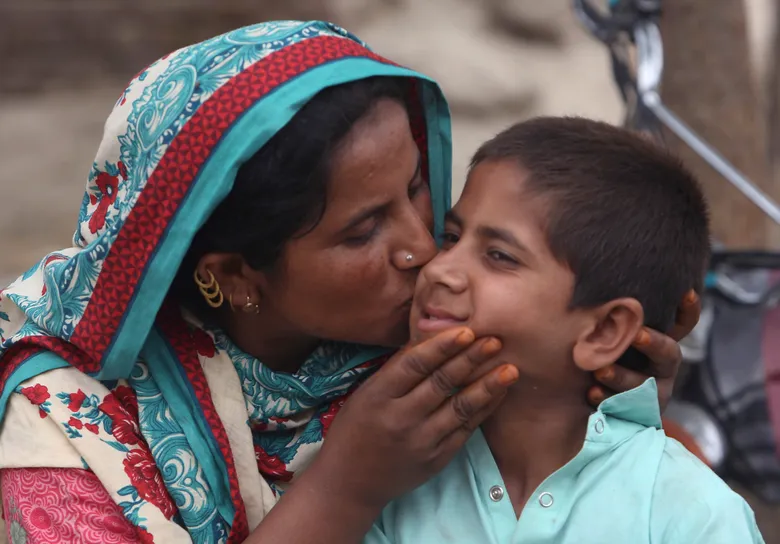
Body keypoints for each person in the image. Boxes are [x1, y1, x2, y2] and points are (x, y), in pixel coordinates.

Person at [0, 22, 698, 544]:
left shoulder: (444, 348)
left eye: (419, 187)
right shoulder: (62, 436)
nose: (424, 251)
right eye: (363, 231)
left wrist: (602, 402)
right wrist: (344, 488)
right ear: (234, 278)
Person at [343, 117, 760, 544]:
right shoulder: (394, 476)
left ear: (603, 331)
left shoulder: (690, 515)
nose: (439, 269)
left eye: (499, 256)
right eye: (451, 237)